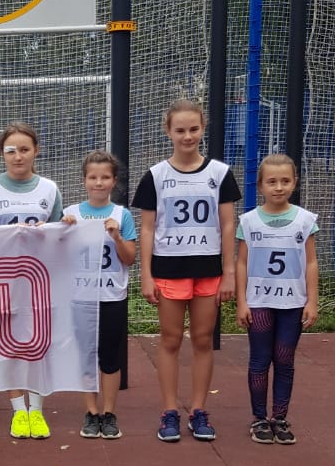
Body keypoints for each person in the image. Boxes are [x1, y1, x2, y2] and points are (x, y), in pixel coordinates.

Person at [132, 99, 240, 442]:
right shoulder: (156, 176)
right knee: (171, 339)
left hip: (207, 268)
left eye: (194, 129)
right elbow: (147, 228)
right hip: (169, 267)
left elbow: (228, 225)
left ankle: (198, 410)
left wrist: (229, 272)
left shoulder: (219, 173)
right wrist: (146, 274)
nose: (187, 136)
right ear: (168, 131)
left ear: (203, 128)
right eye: (180, 130)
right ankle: (169, 411)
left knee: (204, 340)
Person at [0, 121, 63, 440]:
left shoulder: (49, 189)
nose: (18, 156)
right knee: (9, 347)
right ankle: (18, 411)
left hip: (38, 282)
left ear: (36, 151)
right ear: (2, 153)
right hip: (2, 284)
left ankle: (36, 410)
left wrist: (61, 228)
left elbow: (60, 237)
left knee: (38, 346)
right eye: (11, 150)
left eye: (24, 149)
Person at [236, 154, 318, 444]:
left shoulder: (305, 220)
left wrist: (312, 300)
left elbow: (311, 262)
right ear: (260, 185)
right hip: (259, 302)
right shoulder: (249, 221)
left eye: (285, 181)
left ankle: (279, 418)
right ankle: (259, 418)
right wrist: (242, 301)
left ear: (294, 183)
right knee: (260, 359)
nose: (279, 187)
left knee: (284, 359)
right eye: (272, 182)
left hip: (292, 303)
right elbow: (241, 263)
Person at [63, 150, 137, 439]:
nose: (98, 182)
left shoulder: (122, 215)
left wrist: (116, 236)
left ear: (114, 181)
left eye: (105, 177)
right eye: (93, 177)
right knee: (85, 357)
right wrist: (64, 232)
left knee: (109, 357)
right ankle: (91, 412)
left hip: (111, 296)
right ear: (84, 180)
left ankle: (109, 412)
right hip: (81, 297)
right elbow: (58, 254)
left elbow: (129, 258)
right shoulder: (71, 214)